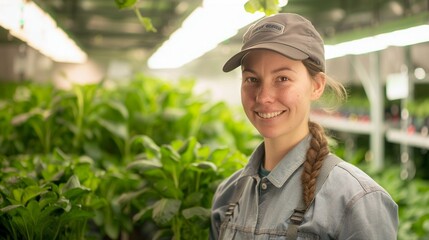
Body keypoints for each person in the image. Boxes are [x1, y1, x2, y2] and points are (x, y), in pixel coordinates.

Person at [210, 13, 398, 239]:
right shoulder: (228, 195)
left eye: (282, 79)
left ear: (317, 86)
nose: (263, 97)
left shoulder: (355, 199)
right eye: (252, 79)